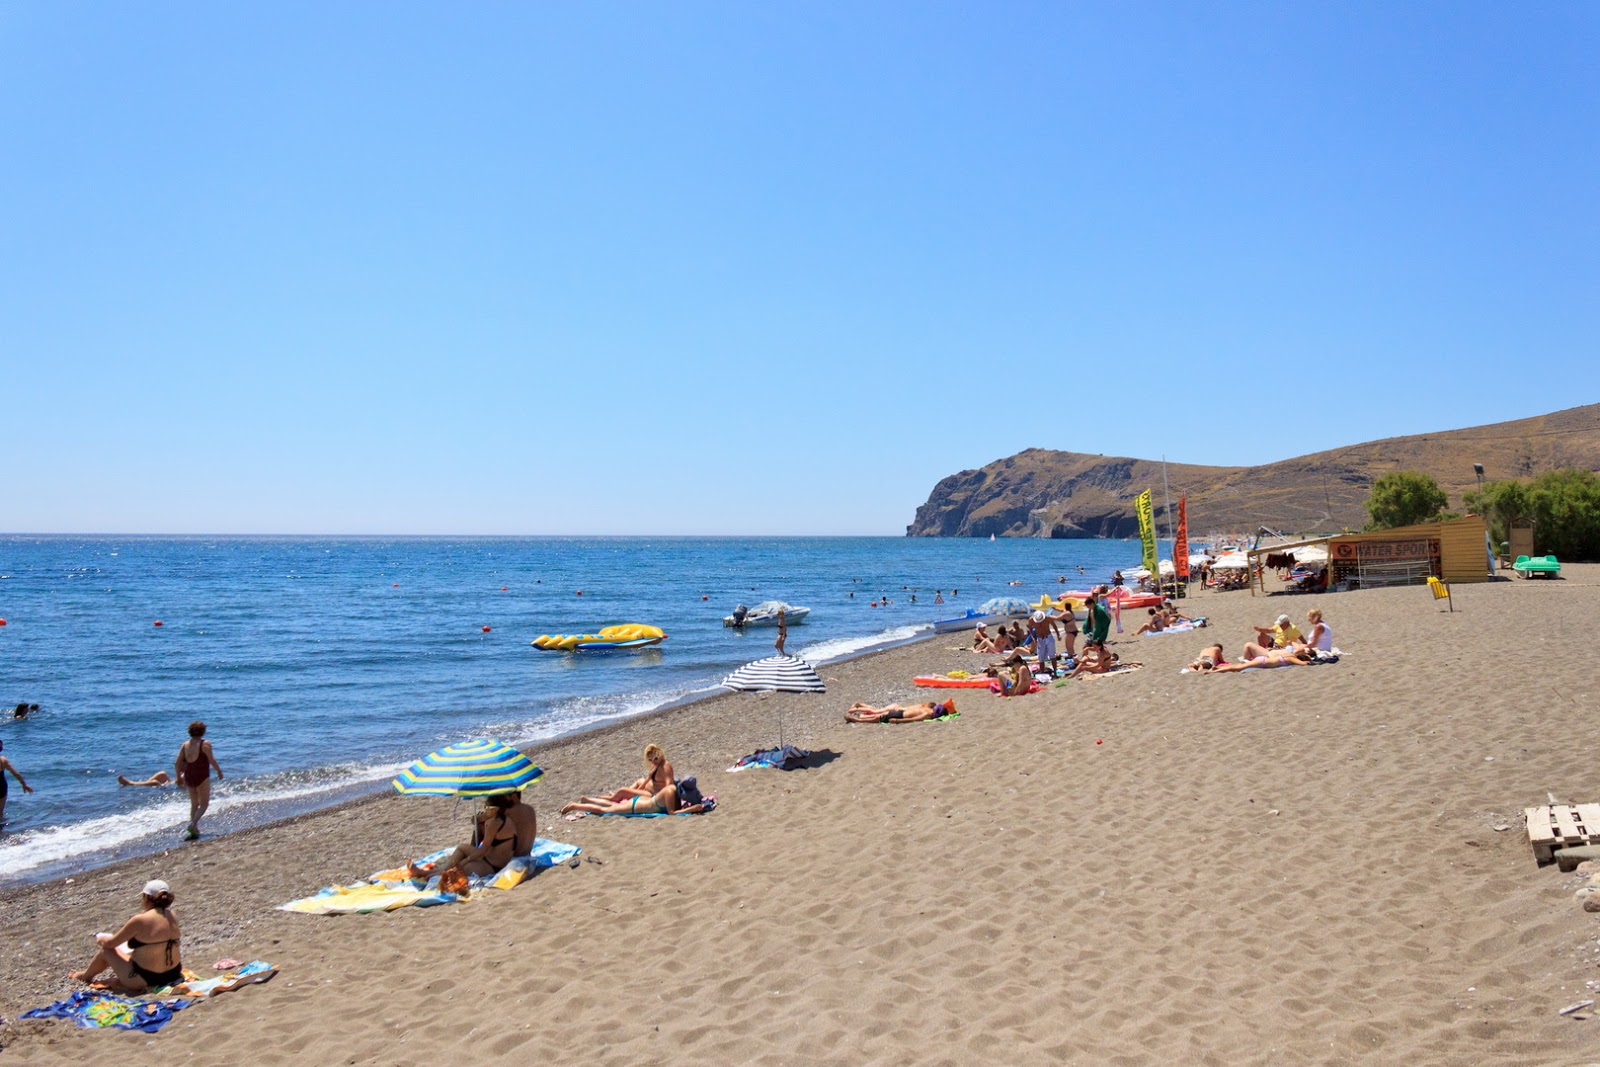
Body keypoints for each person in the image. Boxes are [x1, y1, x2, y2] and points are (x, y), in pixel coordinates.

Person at [69, 880, 183, 992]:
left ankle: (85, 976)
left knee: (106, 950)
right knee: (132, 951)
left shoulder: (140, 920)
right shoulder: (173, 915)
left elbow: (111, 943)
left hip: (146, 979)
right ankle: (98, 977)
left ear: (146, 898)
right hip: (174, 974)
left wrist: (101, 938)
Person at [415, 792, 524, 879]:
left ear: (494, 809)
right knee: (461, 850)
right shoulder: (504, 819)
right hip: (494, 860)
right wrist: (479, 820)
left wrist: (467, 859)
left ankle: (437, 873)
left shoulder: (492, 824)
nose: (485, 809)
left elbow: (483, 850)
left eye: (486, 807)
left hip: (493, 866)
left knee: (463, 867)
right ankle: (436, 872)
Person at [174, 721, 223, 840]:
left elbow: (177, 762)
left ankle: (194, 831)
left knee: (194, 804)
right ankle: (193, 824)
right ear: (203, 731)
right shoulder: (205, 744)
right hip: (201, 775)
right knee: (204, 804)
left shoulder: (185, 745)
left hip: (189, 775)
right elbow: (212, 760)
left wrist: (178, 777)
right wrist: (219, 771)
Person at [580, 744, 675, 805]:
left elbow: (669, 786)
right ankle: (618, 795)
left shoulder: (665, 767)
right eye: (650, 760)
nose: (653, 762)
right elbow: (648, 778)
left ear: (660, 754)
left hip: (653, 795)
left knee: (623, 790)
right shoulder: (657, 764)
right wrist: (637, 790)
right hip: (650, 788)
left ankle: (610, 798)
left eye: (655, 759)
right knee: (639, 781)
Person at [559, 780, 711, 815]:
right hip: (636, 806)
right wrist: (693, 808)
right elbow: (672, 813)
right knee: (603, 810)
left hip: (642, 801)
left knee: (609, 806)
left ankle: (587, 800)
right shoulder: (671, 792)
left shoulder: (673, 788)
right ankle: (575, 806)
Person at [0, 739, 34, 825]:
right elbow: (16, 773)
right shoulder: (3, 760)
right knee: (0, 812)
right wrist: (24, 784)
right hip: (1, 787)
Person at [1209, 648, 1314, 673]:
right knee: (1238, 668)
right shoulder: (1292, 658)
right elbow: (1303, 664)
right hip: (1262, 662)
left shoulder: (1290, 655)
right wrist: (1310, 662)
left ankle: (1218, 667)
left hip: (1263, 661)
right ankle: (1215, 671)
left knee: (1238, 665)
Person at [845, 699, 955, 723]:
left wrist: (898, 721)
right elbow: (914, 718)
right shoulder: (927, 712)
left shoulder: (925, 709)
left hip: (899, 712)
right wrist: (898, 721)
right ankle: (858, 714)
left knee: (876, 714)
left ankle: (858, 714)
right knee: (876, 715)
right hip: (899, 712)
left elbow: (914, 718)